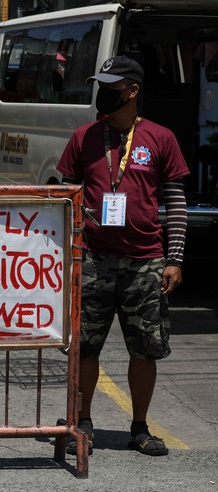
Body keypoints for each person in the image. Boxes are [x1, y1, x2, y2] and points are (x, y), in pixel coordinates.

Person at [56, 55, 188, 457]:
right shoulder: (84, 137)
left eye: (111, 87)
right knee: (85, 347)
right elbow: (66, 197)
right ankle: (83, 423)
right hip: (92, 258)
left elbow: (176, 202)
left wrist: (174, 258)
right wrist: (65, 254)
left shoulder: (160, 138)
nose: (103, 93)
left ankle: (140, 427)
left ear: (132, 91)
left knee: (145, 349)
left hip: (145, 261)